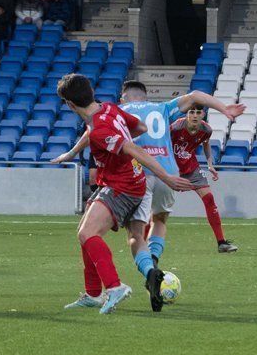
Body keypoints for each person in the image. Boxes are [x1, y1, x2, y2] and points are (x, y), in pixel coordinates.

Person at [55, 81, 244, 311]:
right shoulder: (140, 109)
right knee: (159, 220)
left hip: (135, 176)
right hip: (164, 170)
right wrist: (224, 109)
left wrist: (75, 152)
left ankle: (133, 278)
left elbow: (125, 145)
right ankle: (145, 268)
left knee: (130, 234)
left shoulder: (114, 113)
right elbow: (191, 98)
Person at [54, 74, 192, 315]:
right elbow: (139, 127)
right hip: (127, 179)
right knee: (85, 233)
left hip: (123, 185)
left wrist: (166, 177)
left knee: (88, 233)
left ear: (70, 105)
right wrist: (72, 152)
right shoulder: (108, 108)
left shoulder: (100, 129)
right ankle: (93, 294)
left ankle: (114, 287)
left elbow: (130, 146)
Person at [169, 107, 237, 253]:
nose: (194, 115)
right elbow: (162, 143)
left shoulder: (206, 130)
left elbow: (205, 143)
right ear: (187, 114)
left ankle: (222, 243)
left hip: (191, 168)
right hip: (171, 168)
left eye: (198, 113)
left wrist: (210, 164)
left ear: (203, 114)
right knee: (154, 202)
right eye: (191, 112)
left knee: (209, 199)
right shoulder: (175, 127)